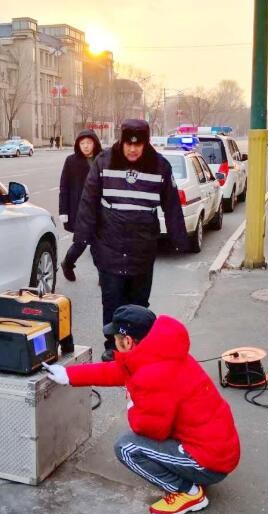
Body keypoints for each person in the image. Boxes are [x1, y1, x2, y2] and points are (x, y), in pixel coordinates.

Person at [44, 305, 240, 514]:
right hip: (219, 448)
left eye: (115, 339)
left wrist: (132, 404)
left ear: (127, 341)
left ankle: (188, 492)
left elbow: (150, 430)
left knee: (127, 448)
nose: (114, 344)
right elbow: (117, 371)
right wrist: (69, 375)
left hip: (211, 462)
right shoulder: (163, 354)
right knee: (134, 443)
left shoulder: (152, 376)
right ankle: (190, 474)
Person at [72, 119, 188, 362]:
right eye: (128, 144)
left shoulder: (160, 167)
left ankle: (137, 345)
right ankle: (113, 346)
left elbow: (172, 205)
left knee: (138, 301)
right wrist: (81, 240)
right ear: (121, 141)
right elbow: (87, 203)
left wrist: (180, 239)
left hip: (142, 248)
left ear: (145, 144)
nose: (133, 150)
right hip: (109, 245)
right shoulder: (104, 162)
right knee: (112, 299)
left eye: (139, 145)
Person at [59, 129, 102, 282]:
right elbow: (64, 187)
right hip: (79, 210)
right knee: (81, 243)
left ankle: (103, 277)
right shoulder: (71, 161)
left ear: (95, 143)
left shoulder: (102, 159)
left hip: (100, 210)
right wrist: (63, 211)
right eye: (82, 143)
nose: (85, 146)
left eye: (89, 143)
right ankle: (68, 263)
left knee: (100, 244)